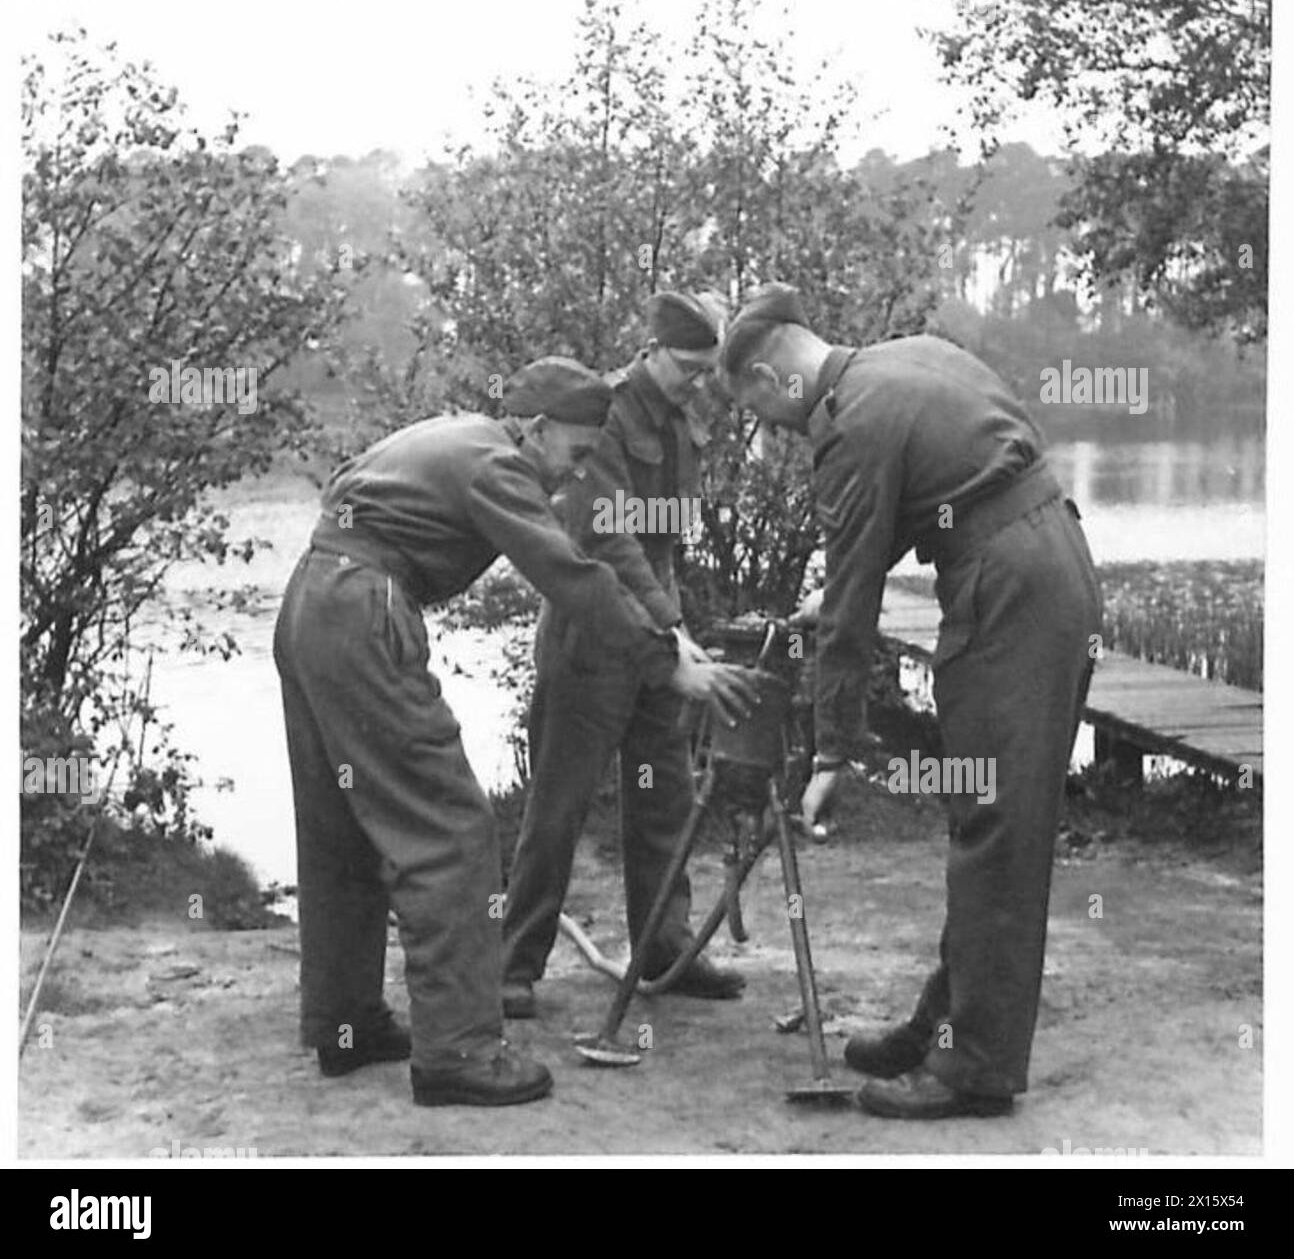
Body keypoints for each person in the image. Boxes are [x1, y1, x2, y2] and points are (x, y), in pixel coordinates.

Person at [273, 356, 752, 1108]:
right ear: (535, 429)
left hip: (312, 601)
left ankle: (345, 1023)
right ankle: (458, 1052)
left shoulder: (459, 437)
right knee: (451, 830)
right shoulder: (498, 467)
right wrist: (666, 659)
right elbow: (570, 571)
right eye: (575, 453)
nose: (572, 475)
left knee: (341, 826)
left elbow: (345, 483)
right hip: (365, 611)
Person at [721, 285, 1102, 1120]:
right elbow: (952, 480)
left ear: (767, 375)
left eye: (755, 409)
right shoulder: (906, 358)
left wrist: (831, 752)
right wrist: (839, 589)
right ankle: (942, 1028)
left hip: (1009, 590)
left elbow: (853, 612)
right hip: (1048, 561)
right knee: (988, 817)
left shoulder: (850, 424)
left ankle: (977, 1071)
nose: (771, 432)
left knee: (994, 823)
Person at [502, 294, 747, 1018]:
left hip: (659, 631)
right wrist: (669, 629)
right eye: (689, 368)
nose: (698, 384)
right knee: (558, 806)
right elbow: (606, 540)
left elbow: (664, 542)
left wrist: (674, 628)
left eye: (709, 373)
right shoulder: (598, 414)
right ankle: (514, 965)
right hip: (595, 637)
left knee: (664, 795)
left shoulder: (680, 419)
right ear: (651, 349)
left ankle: (664, 950)